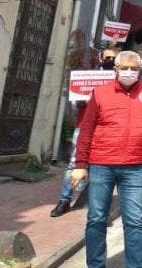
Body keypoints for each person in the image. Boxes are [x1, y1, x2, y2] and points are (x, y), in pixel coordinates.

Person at [71, 50, 142, 268]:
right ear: (116, 69)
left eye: (135, 69)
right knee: (96, 219)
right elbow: (87, 129)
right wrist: (80, 165)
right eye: (125, 68)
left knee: (134, 221)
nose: (130, 72)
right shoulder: (101, 93)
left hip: (134, 168)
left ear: (140, 70)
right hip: (101, 164)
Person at [49, 48, 116, 217]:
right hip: (84, 126)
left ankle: (98, 204)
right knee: (74, 163)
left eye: (114, 58)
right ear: (101, 58)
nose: (111, 60)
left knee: (103, 165)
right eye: (108, 57)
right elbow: (74, 103)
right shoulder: (87, 77)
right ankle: (65, 200)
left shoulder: (118, 81)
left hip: (107, 128)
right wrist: (85, 101)